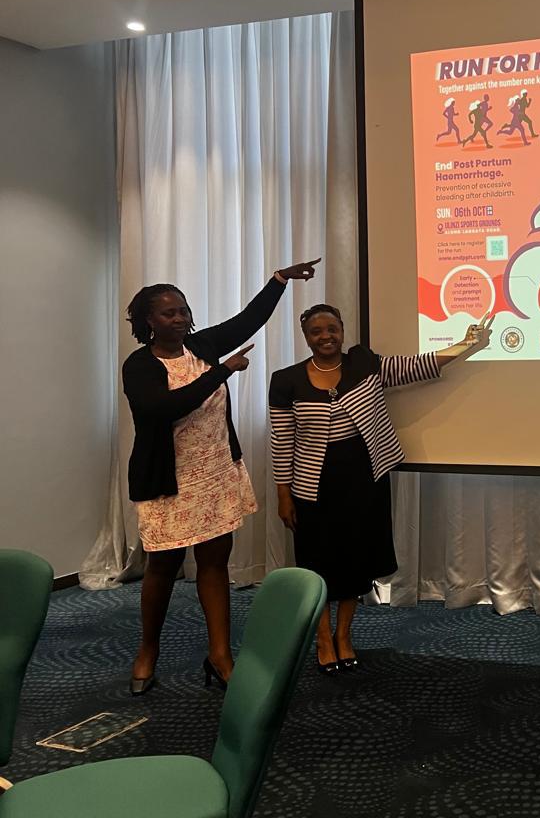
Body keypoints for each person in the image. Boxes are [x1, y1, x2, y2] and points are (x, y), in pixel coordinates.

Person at [122, 259, 321, 695]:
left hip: (215, 473)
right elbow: (163, 409)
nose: (179, 318)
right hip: (166, 482)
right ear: (149, 321)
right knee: (162, 567)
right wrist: (223, 371)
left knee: (214, 564)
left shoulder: (201, 346)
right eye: (168, 313)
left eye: (183, 310)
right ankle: (148, 649)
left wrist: (279, 280)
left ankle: (220, 654)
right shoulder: (140, 365)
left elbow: (249, 319)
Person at [269, 306, 494, 673]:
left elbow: (418, 365)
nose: (325, 336)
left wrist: (467, 344)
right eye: (316, 331)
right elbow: (282, 443)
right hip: (312, 487)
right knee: (317, 563)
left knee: (356, 560)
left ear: (342, 330)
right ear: (306, 337)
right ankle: (323, 638)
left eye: (332, 328)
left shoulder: (365, 364)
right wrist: (283, 494)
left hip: (363, 479)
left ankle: (344, 635)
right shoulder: (285, 380)